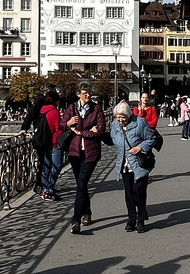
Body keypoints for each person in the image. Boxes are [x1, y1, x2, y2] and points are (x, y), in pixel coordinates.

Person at [60, 84, 107, 234]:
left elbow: (100, 130)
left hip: (91, 152)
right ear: (78, 94)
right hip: (74, 152)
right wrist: (68, 124)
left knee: (81, 184)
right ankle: (87, 212)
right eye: (85, 93)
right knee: (82, 185)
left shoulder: (96, 108)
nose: (88, 96)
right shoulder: (72, 108)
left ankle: (75, 219)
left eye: (89, 93)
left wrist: (80, 132)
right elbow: (61, 126)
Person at [109, 100, 155, 233]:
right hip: (124, 164)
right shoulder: (114, 125)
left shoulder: (140, 122)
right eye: (118, 118)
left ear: (128, 115)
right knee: (129, 193)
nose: (120, 121)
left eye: (122, 118)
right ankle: (131, 219)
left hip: (139, 163)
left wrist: (140, 147)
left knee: (139, 192)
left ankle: (141, 220)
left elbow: (151, 138)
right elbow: (112, 140)